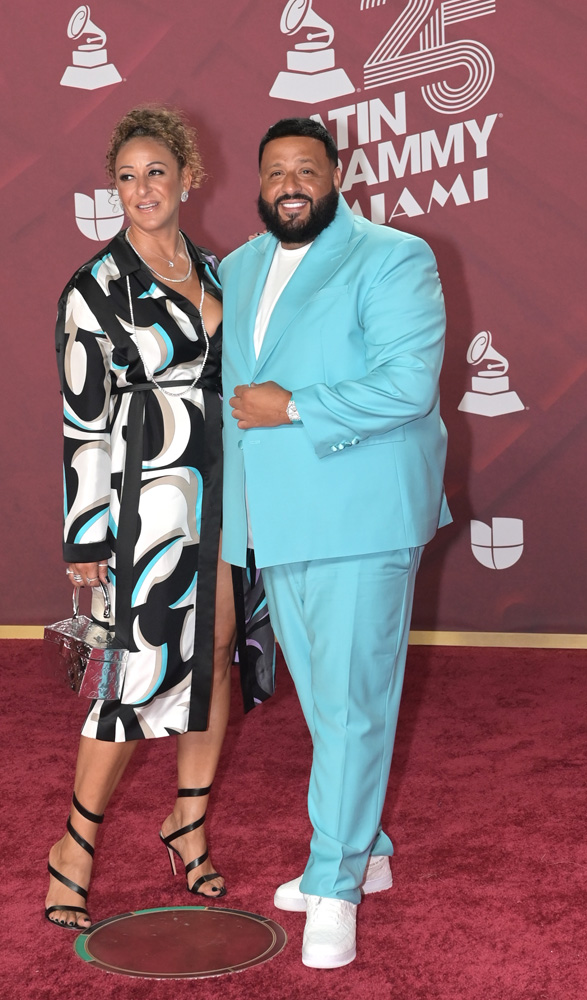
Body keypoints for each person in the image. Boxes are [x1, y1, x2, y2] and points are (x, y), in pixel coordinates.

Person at [219, 118, 451, 969]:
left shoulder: (392, 256)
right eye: (274, 168)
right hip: (273, 519)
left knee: (351, 707)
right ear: (257, 178)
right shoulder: (238, 266)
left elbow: (405, 383)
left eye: (305, 170)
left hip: (361, 513)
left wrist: (298, 405)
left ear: (335, 175)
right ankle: (371, 847)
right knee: (327, 705)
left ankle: (336, 879)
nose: (289, 182)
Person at [45, 106, 272, 929]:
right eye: (126, 176)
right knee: (133, 679)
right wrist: (86, 535)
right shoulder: (94, 287)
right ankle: (75, 844)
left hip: (225, 493)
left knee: (213, 659)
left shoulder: (216, 273)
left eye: (154, 172)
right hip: (143, 501)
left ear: (187, 179)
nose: (140, 188)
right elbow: (81, 422)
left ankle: (188, 821)